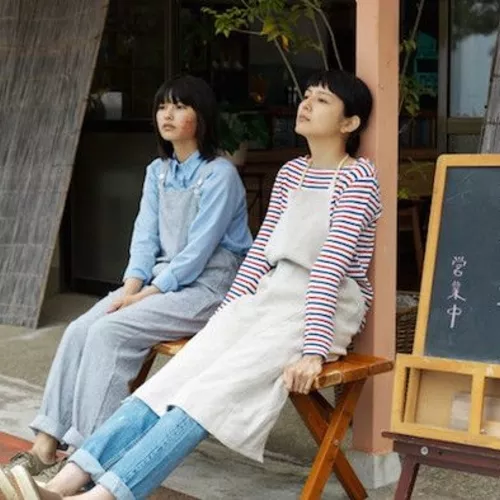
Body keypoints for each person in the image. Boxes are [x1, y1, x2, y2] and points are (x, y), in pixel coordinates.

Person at [1, 69, 382, 500]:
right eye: (307, 95)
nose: (306, 104)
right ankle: (64, 481)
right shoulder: (292, 172)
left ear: (350, 123)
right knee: (168, 382)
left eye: (322, 100)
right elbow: (259, 254)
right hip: (269, 297)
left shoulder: (359, 179)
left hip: (320, 307)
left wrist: (314, 350)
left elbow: (331, 266)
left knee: (203, 397)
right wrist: (224, 321)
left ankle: (102, 497)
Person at [8, 75, 253, 476]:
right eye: (162, 106)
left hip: (208, 288)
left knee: (109, 333)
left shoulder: (219, 174)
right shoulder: (158, 171)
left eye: (180, 106)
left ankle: (89, 457)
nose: (167, 114)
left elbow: (198, 252)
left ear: (203, 117)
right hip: (158, 284)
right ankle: (45, 445)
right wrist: (131, 287)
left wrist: (148, 294)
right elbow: (144, 236)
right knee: (80, 330)